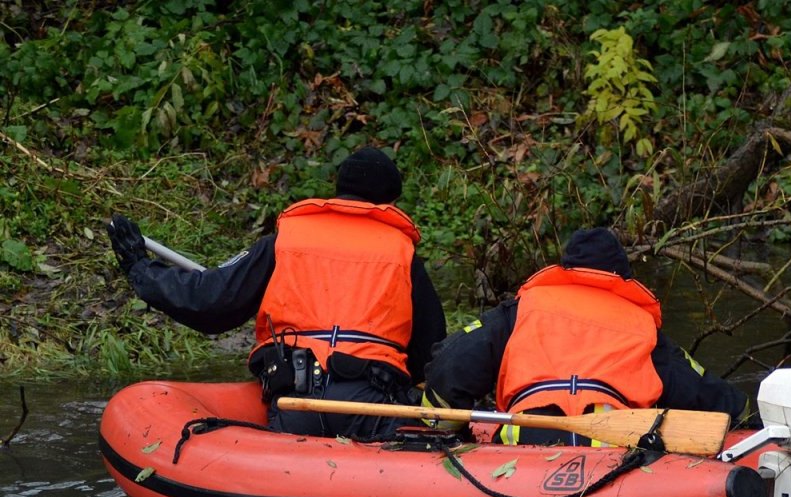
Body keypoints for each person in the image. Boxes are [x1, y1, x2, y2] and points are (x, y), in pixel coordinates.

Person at [106, 146, 447, 439]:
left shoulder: (285, 241)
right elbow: (430, 350)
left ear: (338, 189)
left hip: (295, 397)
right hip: (368, 403)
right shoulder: (402, 255)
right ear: (389, 202)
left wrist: (140, 267)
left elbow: (211, 300)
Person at [423, 227, 748, 445]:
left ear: (567, 269)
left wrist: (446, 433)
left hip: (525, 444)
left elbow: (452, 363)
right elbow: (698, 388)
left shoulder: (523, 310)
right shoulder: (641, 325)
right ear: (622, 276)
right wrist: (747, 416)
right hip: (613, 449)